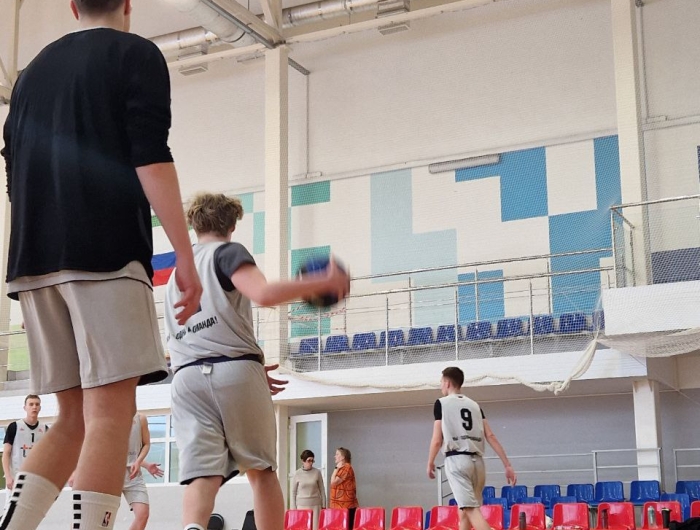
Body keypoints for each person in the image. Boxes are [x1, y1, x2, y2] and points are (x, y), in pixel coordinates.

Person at [0, 0, 202, 528]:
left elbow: (12, 169)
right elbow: (150, 157)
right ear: (128, 3)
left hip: (31, 261)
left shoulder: (29, 75)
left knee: (71, 420)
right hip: (105, 254)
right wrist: (183, 255)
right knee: (110, 414)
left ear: (72, 5)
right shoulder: (135, 54)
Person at [163, 193, 350, 530]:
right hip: (234, 369)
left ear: (194, 225)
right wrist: (321, 282)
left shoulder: (178, 273)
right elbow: (262, 294)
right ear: (232, 225)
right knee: (261, 471)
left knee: (202, 475)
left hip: (185, 377)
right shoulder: (227, 253)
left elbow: (190, 332)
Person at [427, 366, 517, 530]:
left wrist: (430, 461)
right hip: (478, 464)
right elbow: (490, 436)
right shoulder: (475, 405)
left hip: (457, 461)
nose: (440, 386)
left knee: (470, 510)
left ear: (447, 383)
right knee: (464, 513)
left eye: (441, 382)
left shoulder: (441, 403)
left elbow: (437, 440)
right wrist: (507, 465)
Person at [2, 395, 49, 503]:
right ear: (25, 407)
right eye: (31, 404)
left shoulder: (44, 429)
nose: (34, 407)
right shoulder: (14, 426)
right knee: (12, 508)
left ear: (40, 408)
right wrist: (8, 476)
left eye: (37, 404)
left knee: (33, 508)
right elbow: (6, 454)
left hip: (35, 478)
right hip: (16, 477)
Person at [291, 450, 326, 530]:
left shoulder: (317, 472)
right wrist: (293, 508)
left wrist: (324, 505)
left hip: (316, 506)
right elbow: (293, 492)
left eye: (312, 461)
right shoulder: (297, 473)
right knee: (302, 527)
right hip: (301, 506)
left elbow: (322, 490)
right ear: (303, 461)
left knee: (315, 527)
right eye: (309, 460)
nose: (311, 463)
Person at [330, 447, 358, 530]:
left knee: (346, 527)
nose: (335, 456)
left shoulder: (346, 468)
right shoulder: (343, 468)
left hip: (345, 505)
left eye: (337, 454)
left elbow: (333, 482)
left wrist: (336, 468)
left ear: (342, 457)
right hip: (340, 504)